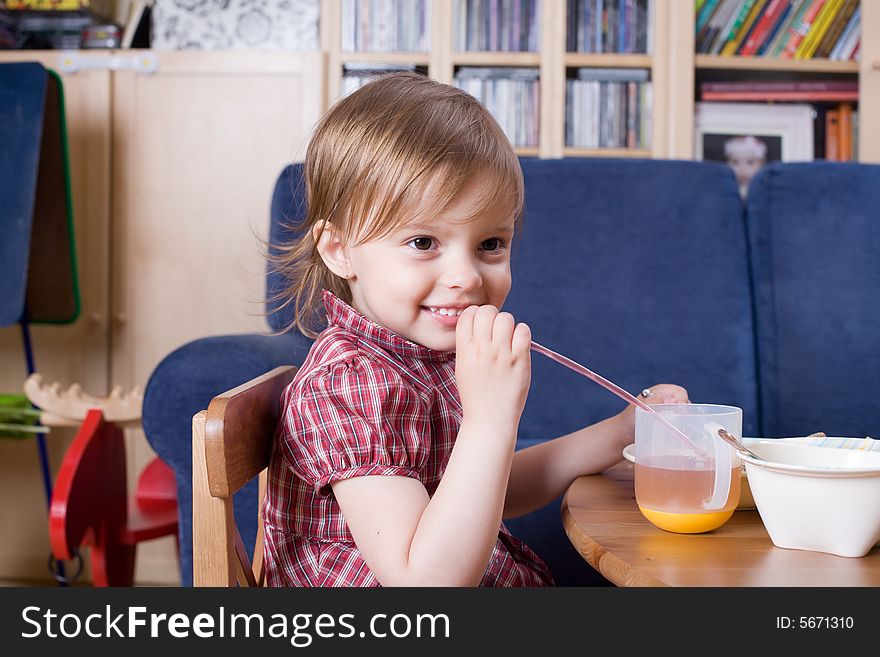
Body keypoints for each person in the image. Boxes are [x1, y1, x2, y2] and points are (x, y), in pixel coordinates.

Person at [264, 72, 688, 587]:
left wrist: (621, 432)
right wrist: (490, 418)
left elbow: (491, 492)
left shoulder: (419, 359)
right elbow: (425, 584)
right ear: (339, 250)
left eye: (490, 244)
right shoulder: (353, 383)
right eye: (423, 242)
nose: (467, 277)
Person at [724, 134, 767, 199]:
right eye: (735, 162)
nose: (742, 169)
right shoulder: (725, 186)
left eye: (750, 162)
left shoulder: (765, 188)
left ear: (762, 165)